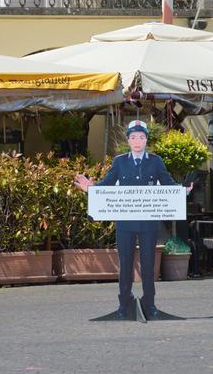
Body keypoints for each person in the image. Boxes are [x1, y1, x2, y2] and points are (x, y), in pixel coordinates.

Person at [74, 120, 192, 320]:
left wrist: (183, 191)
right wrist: (91, 189)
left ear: (146, 140)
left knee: (148, 265)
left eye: (142, 137)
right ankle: (124, 304)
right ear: (128, 140)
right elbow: (107, 185)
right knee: (125, 265)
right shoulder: (119, 162)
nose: (138, 141)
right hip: (125, 223)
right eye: (134, 137)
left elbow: (168, 184)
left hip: (148, 223)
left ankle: (150, 304)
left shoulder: (156, 161)